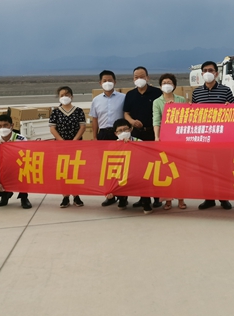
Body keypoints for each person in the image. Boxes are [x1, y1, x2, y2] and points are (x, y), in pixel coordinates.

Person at [191, 60, 234, 210]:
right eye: (205, 70)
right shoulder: (197, 92)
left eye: (211, 70)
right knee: (205, 170)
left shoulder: (226, 90)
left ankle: (224, 198)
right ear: (201, 73)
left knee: (223, 169)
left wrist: (230, 108)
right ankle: (209, 198)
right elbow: (192, 114)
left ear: (216, 73)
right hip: (203, 139)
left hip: (222, 139)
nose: (208, 73)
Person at [124, 66, 163, 210]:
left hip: (153, 134)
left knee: (155, 165)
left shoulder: (157, 92)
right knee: (140, 167)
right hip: (137, 135)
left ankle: (157, 197)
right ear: (133, 79)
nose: (139, 79)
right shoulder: (130, 95)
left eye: (142, 76)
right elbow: (126, 113)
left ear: (148, 77)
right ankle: (143, 197)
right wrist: (132, 121)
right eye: (136, 77)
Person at [90, 70, 126, 208]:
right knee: (105, 167)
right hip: (103, 134)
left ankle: (122, 197)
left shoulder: (123, 97)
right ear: (100, 83)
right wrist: (94, 137)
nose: (107, 83)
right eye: (104, 81)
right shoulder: (96, 100)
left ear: (115, 82)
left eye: (110, 80)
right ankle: (110, 195)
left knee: (120, 166)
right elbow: (94, 119)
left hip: (119, 134)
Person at [153, 73, 186, 210]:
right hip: (164, 139)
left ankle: (181, 199)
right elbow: (156, 120)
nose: (167, 85)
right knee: (166, 170)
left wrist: (174, 109)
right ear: (160, 86)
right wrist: (156, 137)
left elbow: (186, 118)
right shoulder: (157, 102)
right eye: (164, 83)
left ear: (174, 85)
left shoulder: (181, 100)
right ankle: (167, 200)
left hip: (179, 139)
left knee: (180, 170)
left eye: (169, 82)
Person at [49, 86, 87, 208]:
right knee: (63, 170)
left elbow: (82, 127)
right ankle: (65, 196)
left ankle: (76, 195)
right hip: (61, 146)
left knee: (76, 170)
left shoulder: (78, 111)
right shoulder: (55, 112)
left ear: (72, 96)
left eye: (67, 94)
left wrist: (74, 141)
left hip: (76, 145)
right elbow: (52, 128)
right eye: (62, 95)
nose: (64, 97)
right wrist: (62, 141)